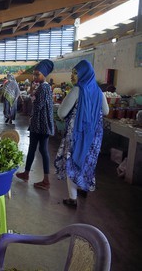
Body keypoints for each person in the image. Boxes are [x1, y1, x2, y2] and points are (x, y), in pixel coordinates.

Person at [54, 60, 109, 207]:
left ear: (84, 74)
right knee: (87, 161)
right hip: (93, 135)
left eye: (75, 73)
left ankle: (72, 198)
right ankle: (83, 188)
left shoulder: (78, 90)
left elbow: (61, 112)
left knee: (73, 161)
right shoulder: (98, 91)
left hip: (77, 134)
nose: (72, 76)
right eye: (72, 73)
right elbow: (106, 111)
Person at [16, 59, 55, 190]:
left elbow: (38, 105)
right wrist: (33, 92)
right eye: (34, 74)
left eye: (37, 74)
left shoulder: (44, 87)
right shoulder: (43, 86)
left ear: (44, 74)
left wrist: (32, 95)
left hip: (41, 124)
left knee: (43, 150)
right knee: (32, 148)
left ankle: (46, 180)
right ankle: (26, 173)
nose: (35, 77)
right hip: (39, 123)